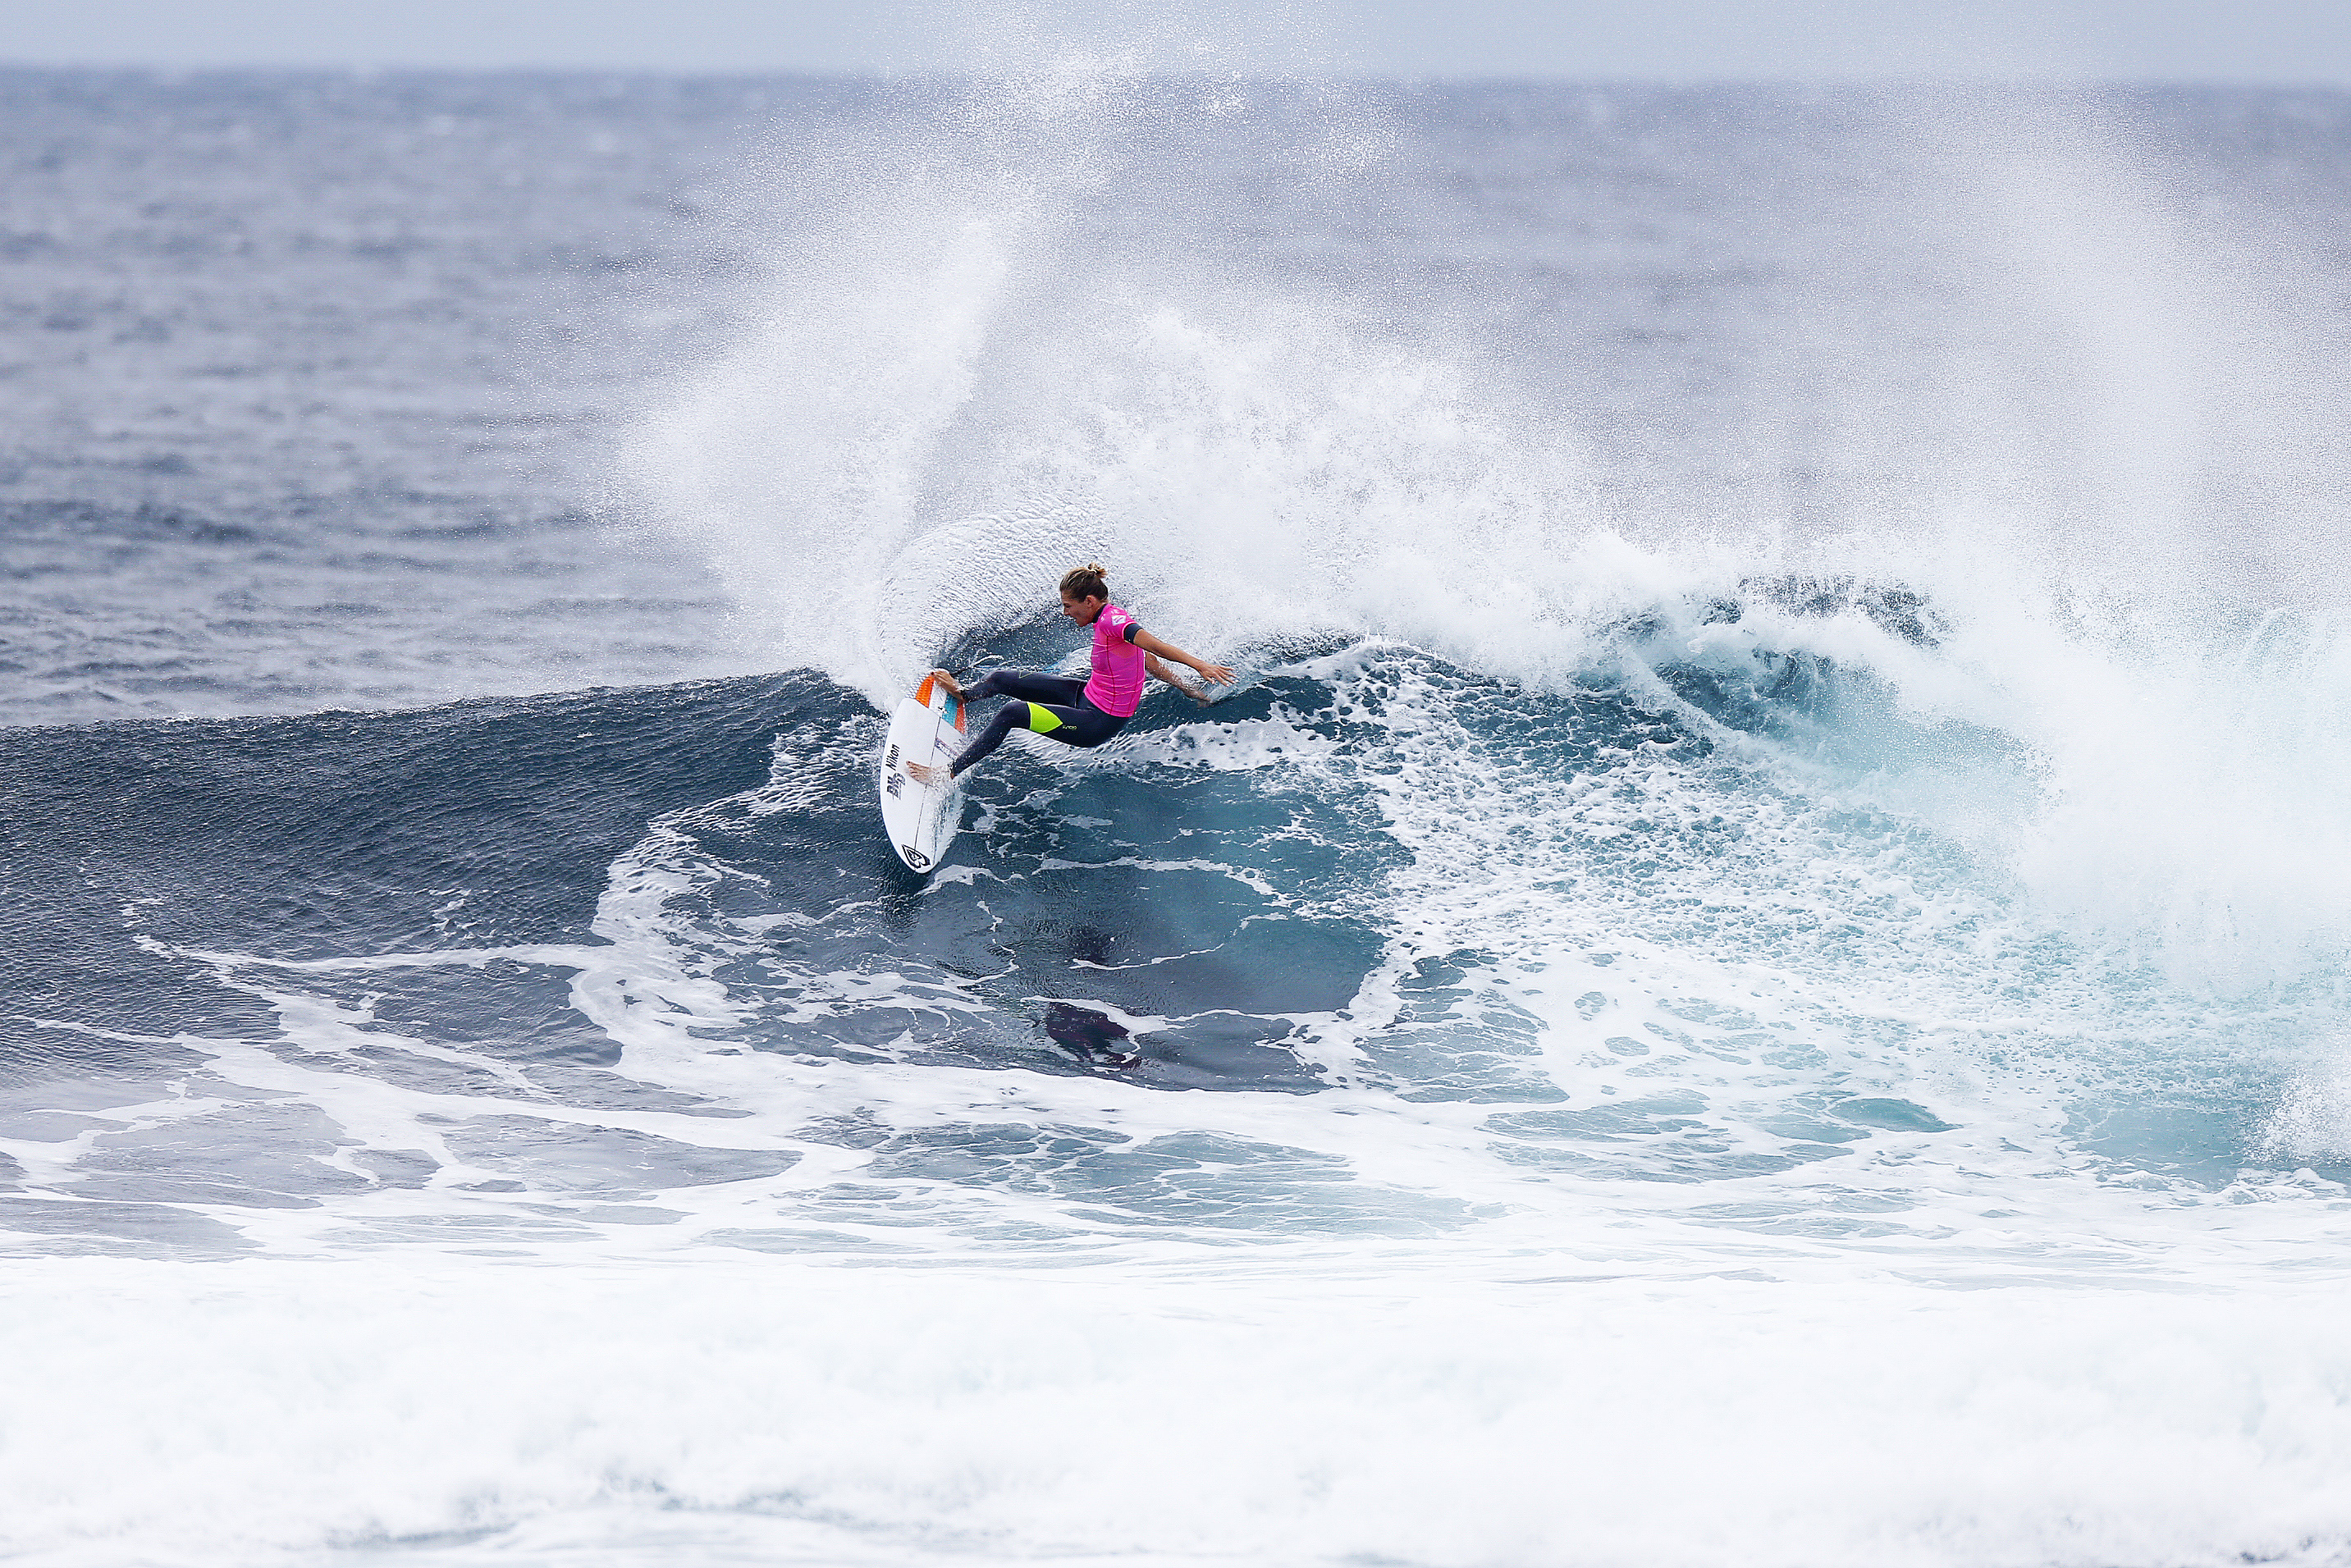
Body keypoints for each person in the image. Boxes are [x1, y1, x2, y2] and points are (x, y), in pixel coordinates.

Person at [906, 563, 1234, 785]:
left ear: (1089, 601)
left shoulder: (1113, 622)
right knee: (1004, 678)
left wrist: (1199, 666)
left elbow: (1155, 645)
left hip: (1097, 722)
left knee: (1012, 713)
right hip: (1085, 696)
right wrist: (1186, 688)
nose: (1065, 613)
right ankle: (964, 696)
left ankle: (945, 774)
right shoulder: (1107, 619)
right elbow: (1146, 660)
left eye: (1068, 605)